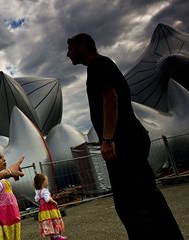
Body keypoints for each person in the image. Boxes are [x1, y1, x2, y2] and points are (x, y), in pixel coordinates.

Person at [67, 33, 183, 240]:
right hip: (130, 138)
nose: (68, 54)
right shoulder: (103, 65)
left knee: (129, 203)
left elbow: (110, 97)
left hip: (124, 142)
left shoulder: (98, 65)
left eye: (71, 48)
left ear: (83, 47)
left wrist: (108, 139)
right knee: (147, 195)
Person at [34, 173, 66, 240]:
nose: (48, 182)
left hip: (43, 211)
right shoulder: (45, 190)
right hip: (50, 209)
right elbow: (47, 199)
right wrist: (54, 202)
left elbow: (36, 199)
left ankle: (52, 237)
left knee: (48, 223)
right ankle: (57, 237)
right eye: (47, 180)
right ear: (43, 182)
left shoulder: (38, 191)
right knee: (54, 221)